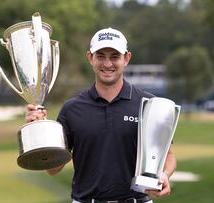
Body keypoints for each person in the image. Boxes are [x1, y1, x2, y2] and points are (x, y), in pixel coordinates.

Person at [25, 27, 177, 203]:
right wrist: (40, 132)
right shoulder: (72, 109)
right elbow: (53, 169)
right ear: (90, 58)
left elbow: (168, 156)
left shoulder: (149, 104)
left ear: (126, 58)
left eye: (114, 56)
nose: (107, 64)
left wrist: (165, 174)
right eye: (101, 56)